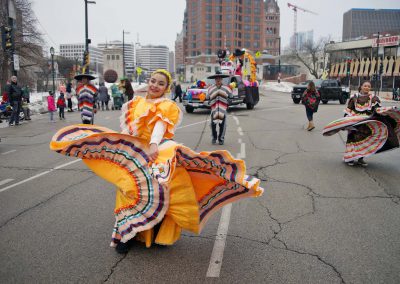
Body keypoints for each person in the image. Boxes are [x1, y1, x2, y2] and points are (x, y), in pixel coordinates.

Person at [50, 69, 264, 254]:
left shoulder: (167, 105)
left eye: (161, 83)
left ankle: (158, 232)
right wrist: (123, 146)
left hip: (156, 150)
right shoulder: (136, 103)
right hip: (136, 152)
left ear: (166, 88)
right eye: (153, 81)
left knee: (160, 190)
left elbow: (160, 125)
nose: (155, 85)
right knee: (128, 190)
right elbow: (130, 129)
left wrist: (153, 145)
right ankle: (127, 236)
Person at [323, 80, 400, 166]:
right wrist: (345, 122)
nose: (367, 87)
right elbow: (349, 110)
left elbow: (378, 110)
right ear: (361, 87)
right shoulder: (354, 98)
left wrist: (390, 109)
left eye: (368, 86)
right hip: (354, 121)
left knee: (364, 140)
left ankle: (360, 158)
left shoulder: (374, 98)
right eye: (365, 86)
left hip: (366, 122)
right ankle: (350, 158)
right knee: (352, 139)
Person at [206, 71, 232, 145]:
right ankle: (214, 137)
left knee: (223, 126)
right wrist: (209, 102)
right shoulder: (211, 88)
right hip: (214, 110)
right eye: (217, 79)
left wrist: (228, 102)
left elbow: (231, 96)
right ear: (215, 79)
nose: (218, 80)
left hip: (223, 110)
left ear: (222, 79)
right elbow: (207, 97)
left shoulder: (226, 88)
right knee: (212, 125)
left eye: (219, 79)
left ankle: (221, 138)